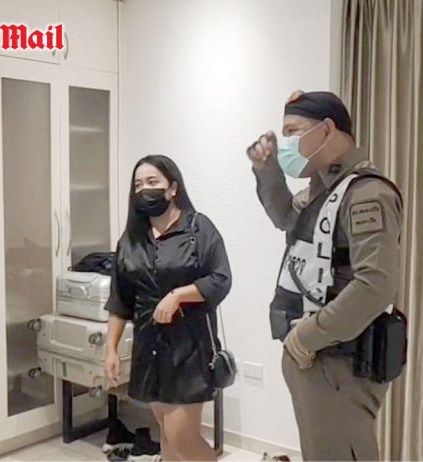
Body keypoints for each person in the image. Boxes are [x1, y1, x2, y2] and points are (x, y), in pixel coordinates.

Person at [246, 91, 403, 461]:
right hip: (317, 356)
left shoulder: (366, 194)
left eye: (293, 131)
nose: (286, 141)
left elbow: (375, 286)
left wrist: (306, 337)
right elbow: (286, 217)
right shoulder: (323, 190)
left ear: (328, 129)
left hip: (338, 360)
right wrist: (268, 171)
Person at [104, 155, 232, 462]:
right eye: (138, 185)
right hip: (149, 347)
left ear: (172, 188)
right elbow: (120, 301)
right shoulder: (131, 240)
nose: (144, 190)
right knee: (166, 436)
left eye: (152, 182)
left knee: (181, 437)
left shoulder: (198, 228)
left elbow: (221, 278)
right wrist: (111, 350)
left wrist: (178, 296)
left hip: (189, 348)